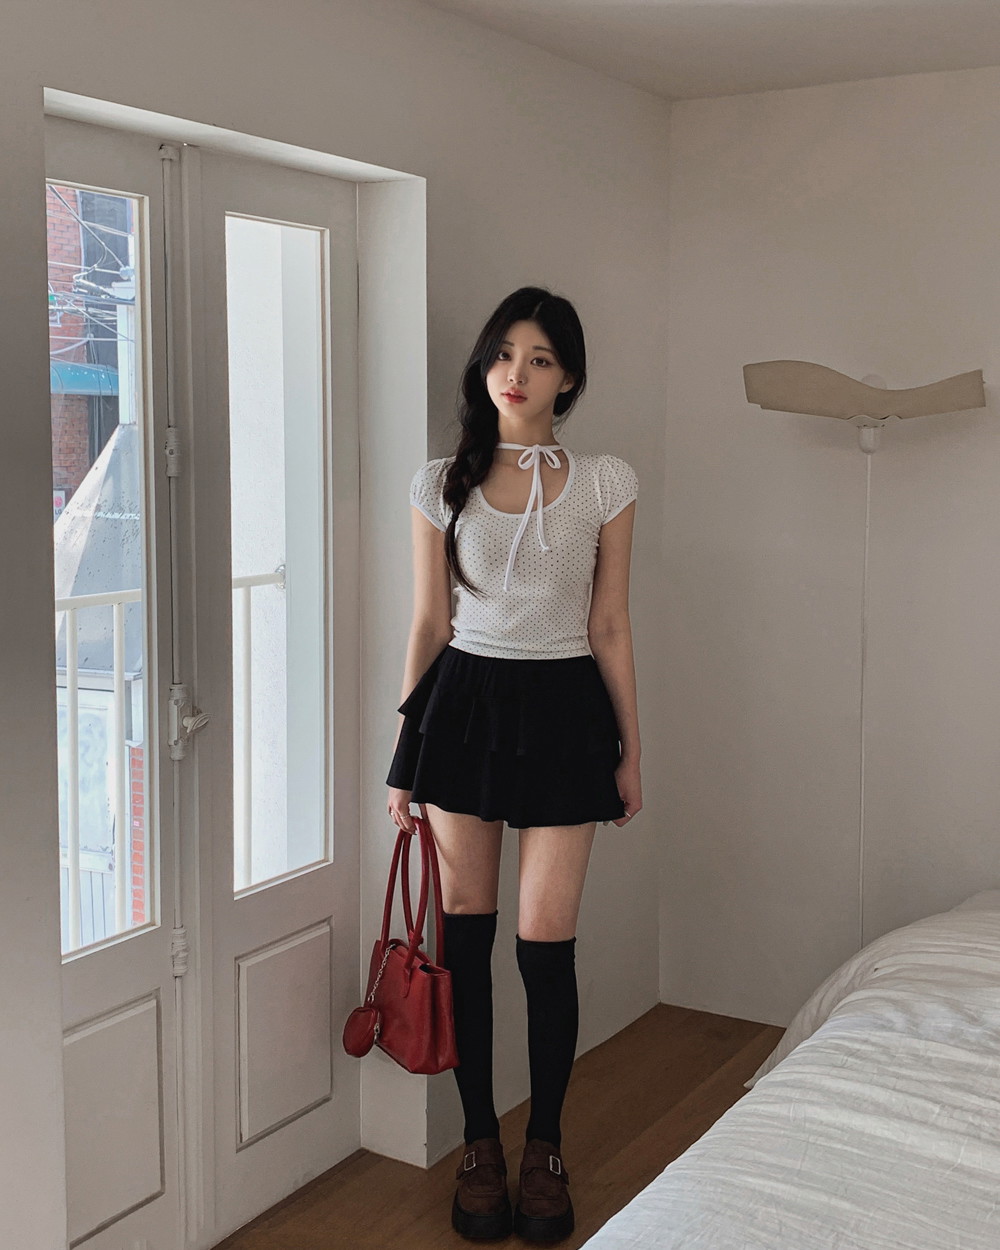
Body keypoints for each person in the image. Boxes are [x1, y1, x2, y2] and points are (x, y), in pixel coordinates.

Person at [385, 286, 641, 1243]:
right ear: (483, 366)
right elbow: (428, 623)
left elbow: (609, 624)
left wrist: (631, 750)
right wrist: (404, 760)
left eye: (538, 358)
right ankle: (479, 1144)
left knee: (545, 946)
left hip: (568, 712)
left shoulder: (606, 482)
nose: (515, 373)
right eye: (502, 354)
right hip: (462, 712)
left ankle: (546, 1147)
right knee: (467, 937)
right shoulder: (438, 483)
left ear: (567, 377)